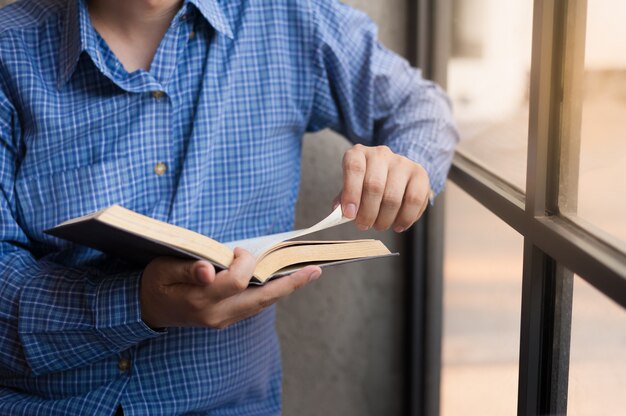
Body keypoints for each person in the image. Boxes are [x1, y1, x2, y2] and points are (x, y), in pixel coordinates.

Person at [0, 0, 457, 414]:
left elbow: (421, 106)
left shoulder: (290, 17)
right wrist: (140, 303)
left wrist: (407, 166)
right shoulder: (8, 49)